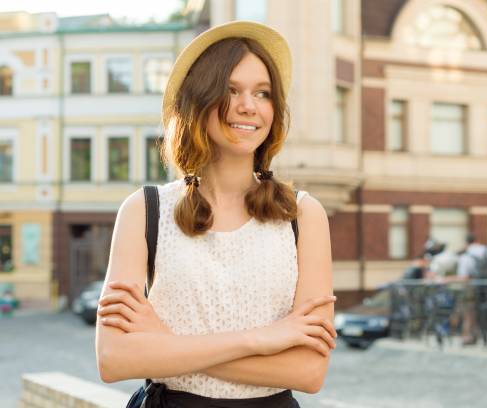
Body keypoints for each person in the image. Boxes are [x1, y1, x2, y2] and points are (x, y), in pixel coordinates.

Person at [95, 21, 336, 407]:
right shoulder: (144, 210)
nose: (248, 106)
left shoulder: (303, 216)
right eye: (231, 90)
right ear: (200, 99)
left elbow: (308, 372)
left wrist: (167, 346)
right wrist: (259, 340)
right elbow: (113, 359)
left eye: (263, 93)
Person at [454, 234, 487, 346]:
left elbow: (464, 277)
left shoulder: (465, 256)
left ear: (466, 243)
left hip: (474, 289)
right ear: (477, 240)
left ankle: (469, 336)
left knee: (469, 312)